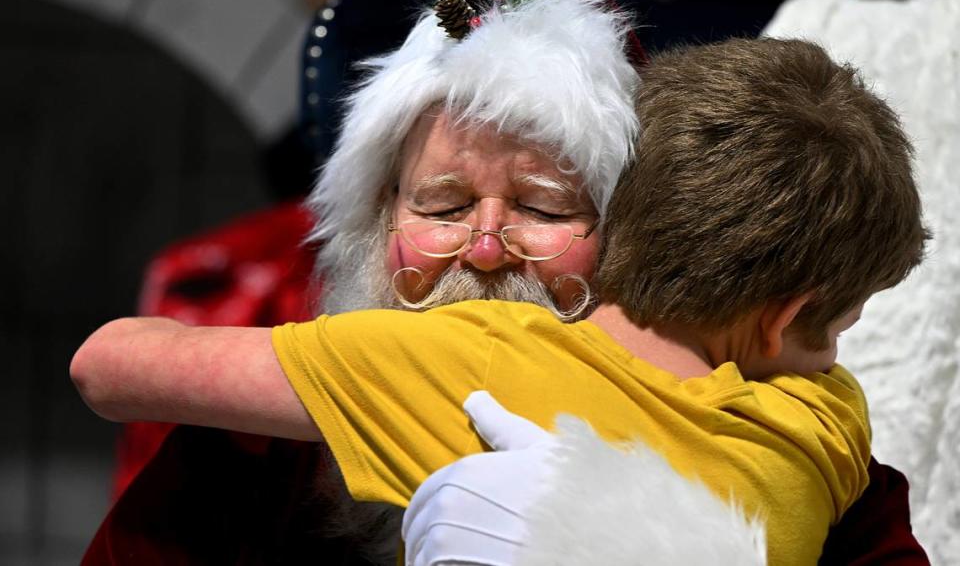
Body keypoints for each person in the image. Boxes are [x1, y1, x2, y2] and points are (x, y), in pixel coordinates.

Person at [72, 35, 929, 565]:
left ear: (628, 234)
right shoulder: (250, 455)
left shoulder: (816, 454)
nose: (484, 251)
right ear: (375, 225)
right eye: (440, 207)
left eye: (545, 207)